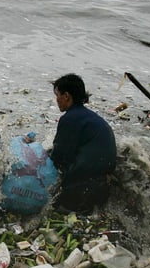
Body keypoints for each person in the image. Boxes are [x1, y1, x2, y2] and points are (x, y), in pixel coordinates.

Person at [49, 73, 117, 213]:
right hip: (103, 186)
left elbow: (58, 157)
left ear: (66, 96)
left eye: (58, 95)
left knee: (54, 208)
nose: (57, 100)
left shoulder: (70, 119)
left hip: (84, 188)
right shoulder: (90, 117)